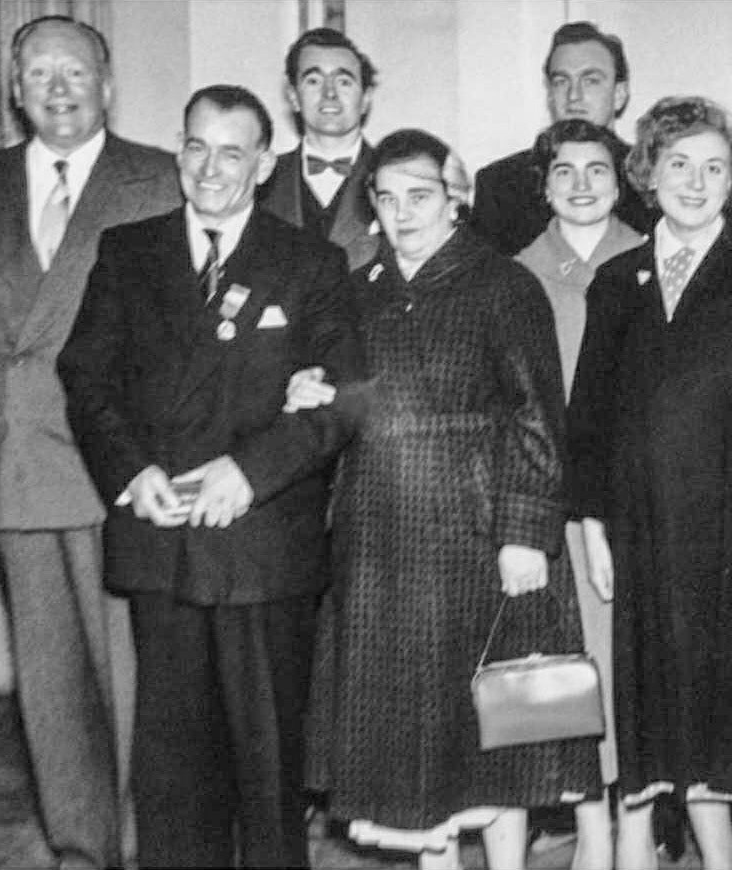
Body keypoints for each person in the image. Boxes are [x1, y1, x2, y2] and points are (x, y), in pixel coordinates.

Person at [56, 84, 363, 869]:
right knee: (170, 771)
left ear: (263, 164)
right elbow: (86, 377)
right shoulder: (129, 251)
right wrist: (130, 474)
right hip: (161, 543)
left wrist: (251, 472)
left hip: (263, 550)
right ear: (178, 150)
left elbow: (344, 399)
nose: (211, 167)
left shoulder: (312, 263)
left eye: (233, 152)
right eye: (196, 146)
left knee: (267, 773)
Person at [293, 128, 599, 870]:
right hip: (378, 541)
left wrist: (525, 532)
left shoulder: (502, 284)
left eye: (420, 196)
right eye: (388, 198)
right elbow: (336, 398)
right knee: (409, 745)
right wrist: (306, 391)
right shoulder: (355, 290)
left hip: (478, 536)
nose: (403, 214)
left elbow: (537, 417)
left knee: (498, 736)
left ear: (454, 198)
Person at [0, 15, 180, 868]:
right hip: (19, 451)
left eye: (75, 71)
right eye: (39, 74)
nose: (58, 88)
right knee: (52, 675)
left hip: (128, 459)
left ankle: (150, 843)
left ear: (107, 83)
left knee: (136, 671)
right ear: (15, 89)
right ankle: (80, 845)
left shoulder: (160, 177)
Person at [567, 96, 732, 870]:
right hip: (648, 534)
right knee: (679, 719)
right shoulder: (618, 281)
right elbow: (588, 420)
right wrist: (591, 529)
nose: (695, 180)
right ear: (648, 172)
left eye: (715, 167)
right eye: (678, 163)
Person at [515, 118, 645, 869]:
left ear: (622, 178)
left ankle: (638, 820)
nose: (583, 186)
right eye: (565, 172)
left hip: (639, 501)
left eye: (598, 170)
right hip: (556, 507)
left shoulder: (653, 257)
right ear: (544, 184)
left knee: (635, 664)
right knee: (567, 669)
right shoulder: (518, 272)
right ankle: (589, 822)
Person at [471, 20, 651, 256]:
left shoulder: (650, 178)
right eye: (561, 81)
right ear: (549, 95)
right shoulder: (502, 185)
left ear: (619, 95)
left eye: (591, 80)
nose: (574, 95)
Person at [260, 26, 379, 270]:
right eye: (314, 80)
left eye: (344, 81)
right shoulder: (260, 180)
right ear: (293, 96)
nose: (330, 93)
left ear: (365, 98)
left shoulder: (392, 176)